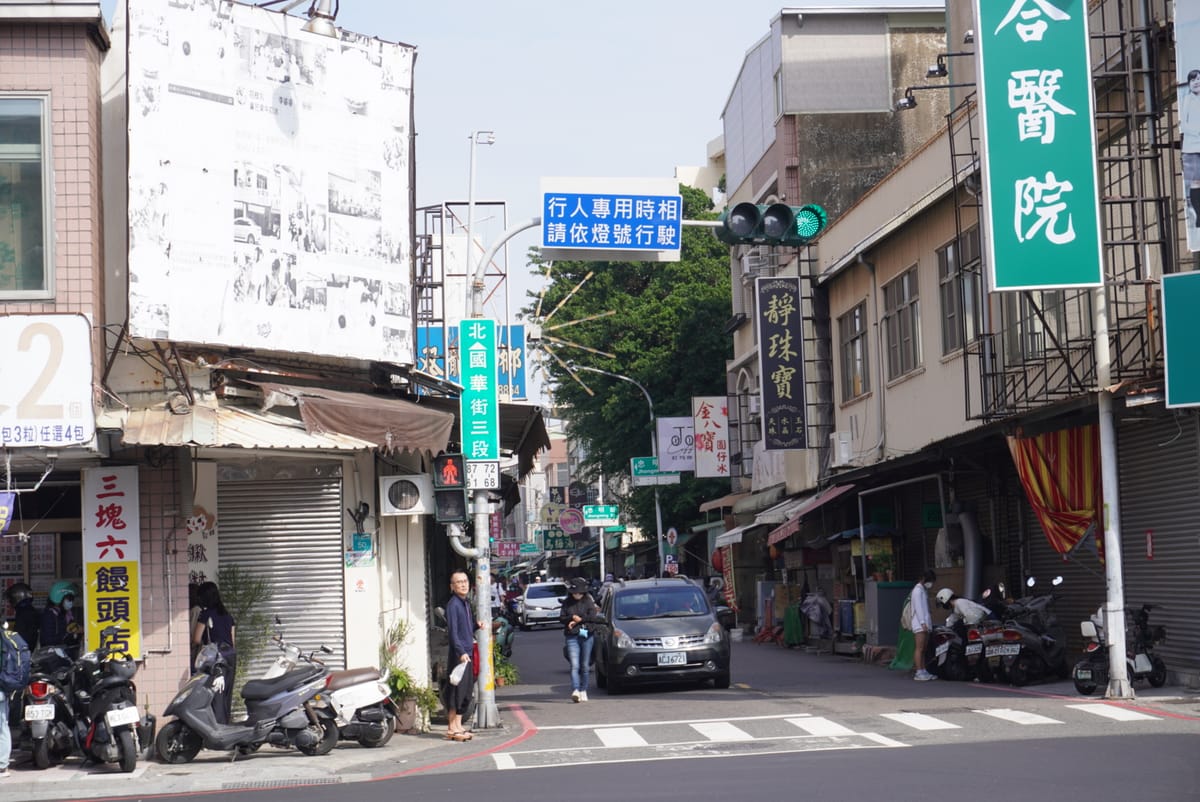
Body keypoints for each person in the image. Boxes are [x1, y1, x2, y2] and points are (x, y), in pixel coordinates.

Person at [192, 581, 236, 724]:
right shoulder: (228, 615)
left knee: (215, 694)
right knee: (226, 693)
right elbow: (232, 641)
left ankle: (216, 729)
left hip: (216, 659)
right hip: (230, 656)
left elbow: (197, 639)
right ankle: (225, 724)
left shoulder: (205, 615)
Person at [560, 576, 605, 702]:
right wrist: (571, 618)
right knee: (575, 665)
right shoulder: (566, 603)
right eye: (575, 593)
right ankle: (575, 689)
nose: (577, 595)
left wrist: (580, 620)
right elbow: (561, 618)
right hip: (571, 635)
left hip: (586, 634)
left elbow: (593, 617)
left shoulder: (588, 602)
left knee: (585, 665)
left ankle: (583, 689)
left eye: (579, 592)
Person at [443, 571, 475, 741]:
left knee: (466, 691)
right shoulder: (453, 605)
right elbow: (453, 633)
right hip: (459, 654)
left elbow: (467, 626)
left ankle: (458, 725)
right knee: (456, 690)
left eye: (465, 581)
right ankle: (451, 728)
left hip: (468, 653)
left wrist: (478, 625)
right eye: (459, 582)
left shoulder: (466, 603)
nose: (463, 584)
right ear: (452, 586)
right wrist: (461, 652)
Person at [40, 580, 82, 653]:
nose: (71, 602)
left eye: (72, 600)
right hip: (53, 658)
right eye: (69, 600)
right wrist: (71, 635)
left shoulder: (67, 614)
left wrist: (78, 632)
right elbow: (48, 640)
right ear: (59, 598)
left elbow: (72, 629)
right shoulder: (50, 615)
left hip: (66, 654)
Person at [910, 570, 937, 681]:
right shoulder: (917, 591)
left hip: (924, 624)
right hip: (920, 624)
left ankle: (923, 670)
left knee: (923, 649)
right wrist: (922, 623)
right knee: (919, 648)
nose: (931, 584)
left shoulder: (922, 590)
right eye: (930, 581)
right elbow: (918, 608)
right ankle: (919, 672)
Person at [1181, 69, 1200, 225]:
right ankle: (1197, 214)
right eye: (1193, 80)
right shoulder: (1187, 99)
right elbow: (1184, 125)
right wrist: (1197, 133)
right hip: (1192, 148)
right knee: (1195, 182)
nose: (1196, 82)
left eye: (1199, 79)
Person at [6, 582, 40, 650]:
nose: (10, 601)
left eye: (12, 598)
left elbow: (20, 636)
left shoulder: (24, 613)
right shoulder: (29, 610)